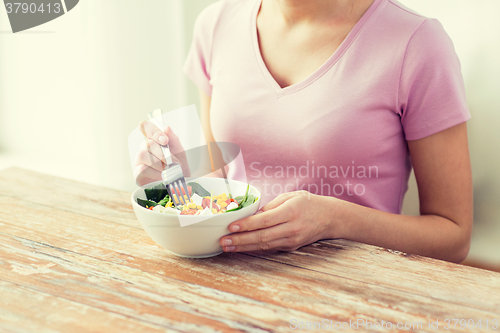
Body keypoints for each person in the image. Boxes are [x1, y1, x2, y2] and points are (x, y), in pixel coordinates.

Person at [135, 0, 472, 263]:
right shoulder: (216, 23)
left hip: (356, 290)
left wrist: (334, 221)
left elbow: (454, 237)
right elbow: (227, 174)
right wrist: (181, 167)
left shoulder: (417, 43)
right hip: (233, 277)